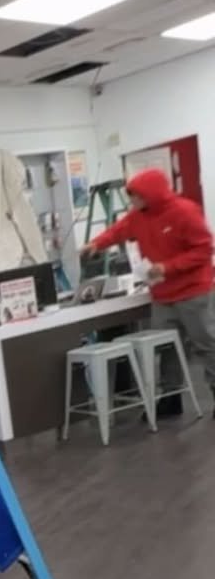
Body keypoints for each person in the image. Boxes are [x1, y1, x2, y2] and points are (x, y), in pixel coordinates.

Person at [81, 168, 215, 415]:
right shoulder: (138, 216)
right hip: (163, 295)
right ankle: (171, 398)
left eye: (136, 196)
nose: (133, 201)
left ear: (152, 194)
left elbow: (204, 250)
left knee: (206, 345)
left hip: (194, 292)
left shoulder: (185, 212)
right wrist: (96, 244)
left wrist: (167, 266)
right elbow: (118, 231)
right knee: (167, 349)